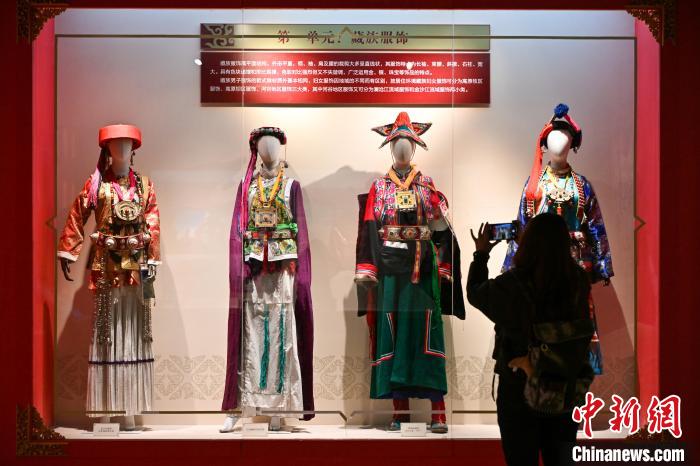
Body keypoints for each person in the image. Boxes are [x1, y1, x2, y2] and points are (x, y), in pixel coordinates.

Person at [467, 213, 592, 466]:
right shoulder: (578, 280)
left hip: (520, 385)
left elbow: (476, 293)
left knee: (521, 459)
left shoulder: (513, 283)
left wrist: (481, 255)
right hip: (564, 385)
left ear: (528, 243)